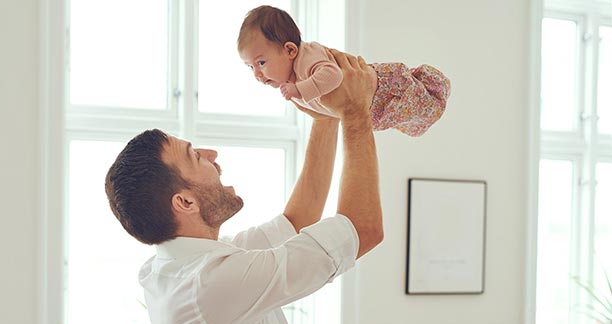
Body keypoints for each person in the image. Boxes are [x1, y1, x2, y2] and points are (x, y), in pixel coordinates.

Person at [105, 50, 382, 324]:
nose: (212, 155)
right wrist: (354, 111)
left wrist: (326, 115)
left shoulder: (182, 265)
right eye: (196, 156)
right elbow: (363, 229)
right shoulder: (206, 287)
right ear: (185, 202)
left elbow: (297, 221)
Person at [238, 5, 451, 137]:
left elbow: (332, 75)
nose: (257, 74)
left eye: (261, 63)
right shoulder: (292, 80)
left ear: (290, 50)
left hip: (384, 88)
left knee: (429, 107)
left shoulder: (307, 58)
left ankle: (433, 87)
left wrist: (299, 90)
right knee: (411, 124)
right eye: (250, 67)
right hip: (373, 107)